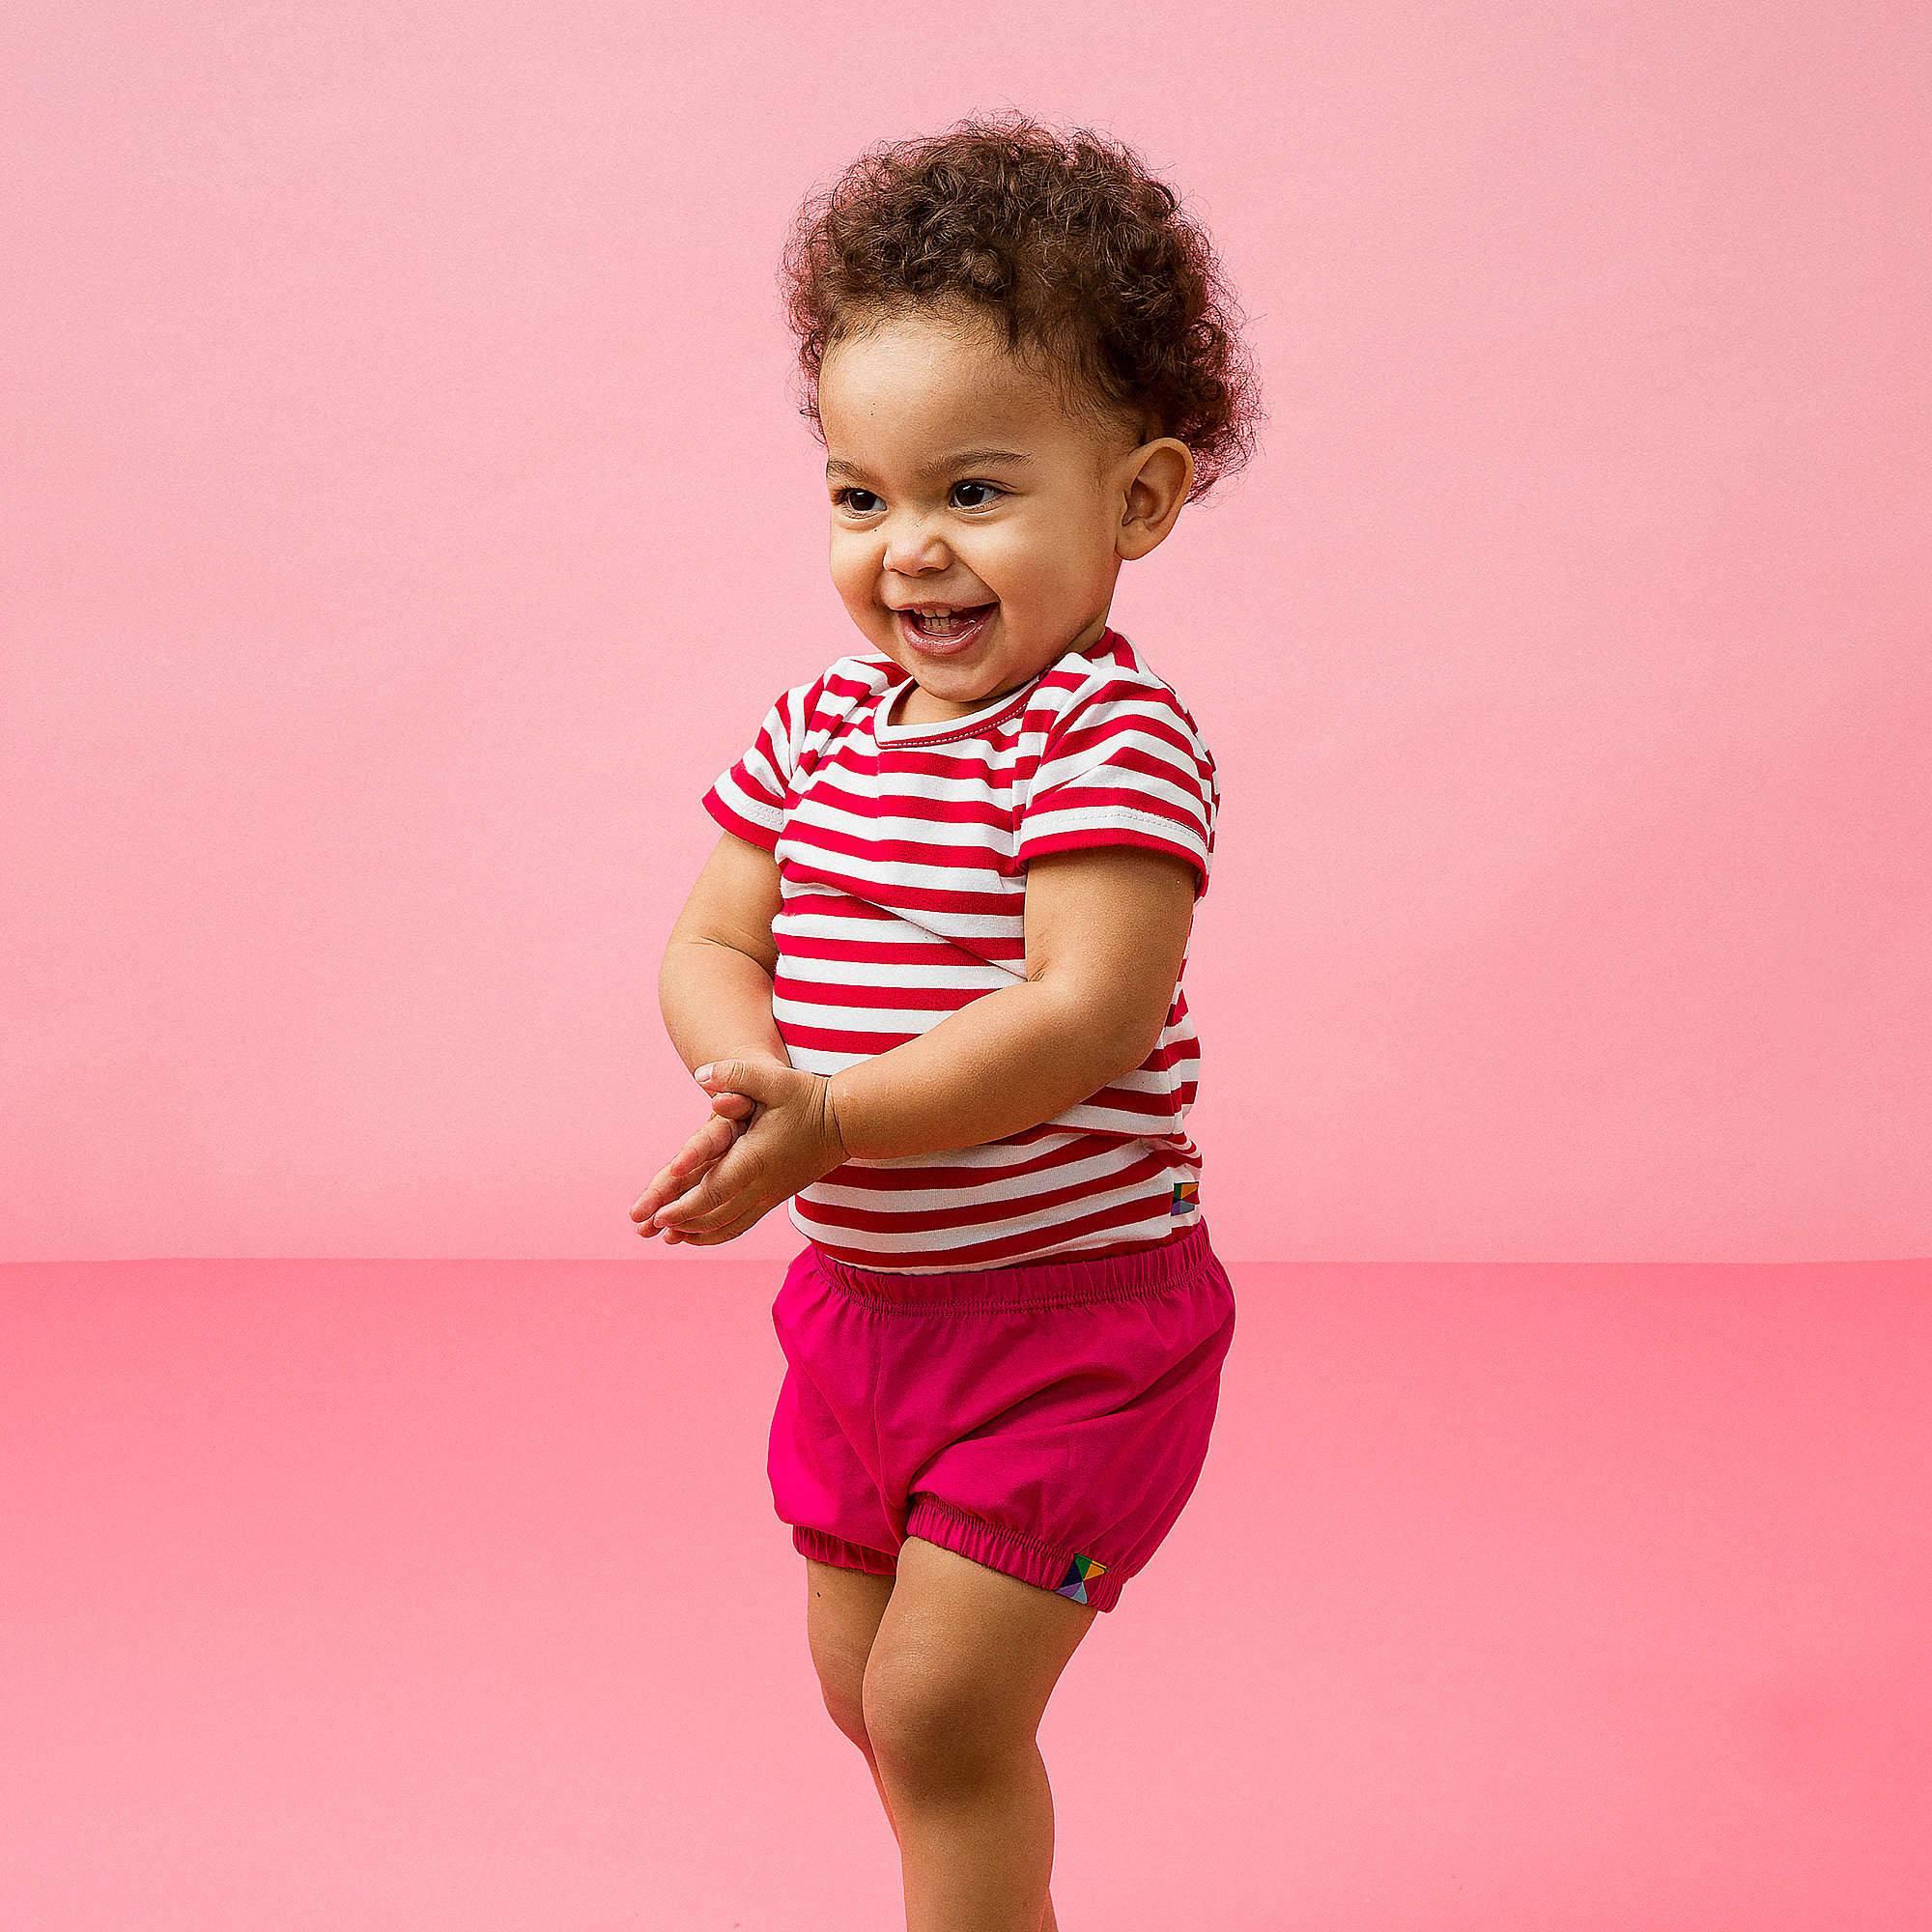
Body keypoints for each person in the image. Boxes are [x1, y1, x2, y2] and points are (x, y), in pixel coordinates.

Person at [630, 110, 1264, 1932]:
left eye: (974, 492)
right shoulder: (823, 728)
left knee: (941, 1707)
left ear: (1136, 500)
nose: (909, 550)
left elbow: (1079, 1015)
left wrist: (833, 1121)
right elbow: (710, 937)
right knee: (868, 1705)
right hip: (863, 1319)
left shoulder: (1109, 742)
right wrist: (742, 1062)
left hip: (1070, 1327)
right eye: (861, 495)